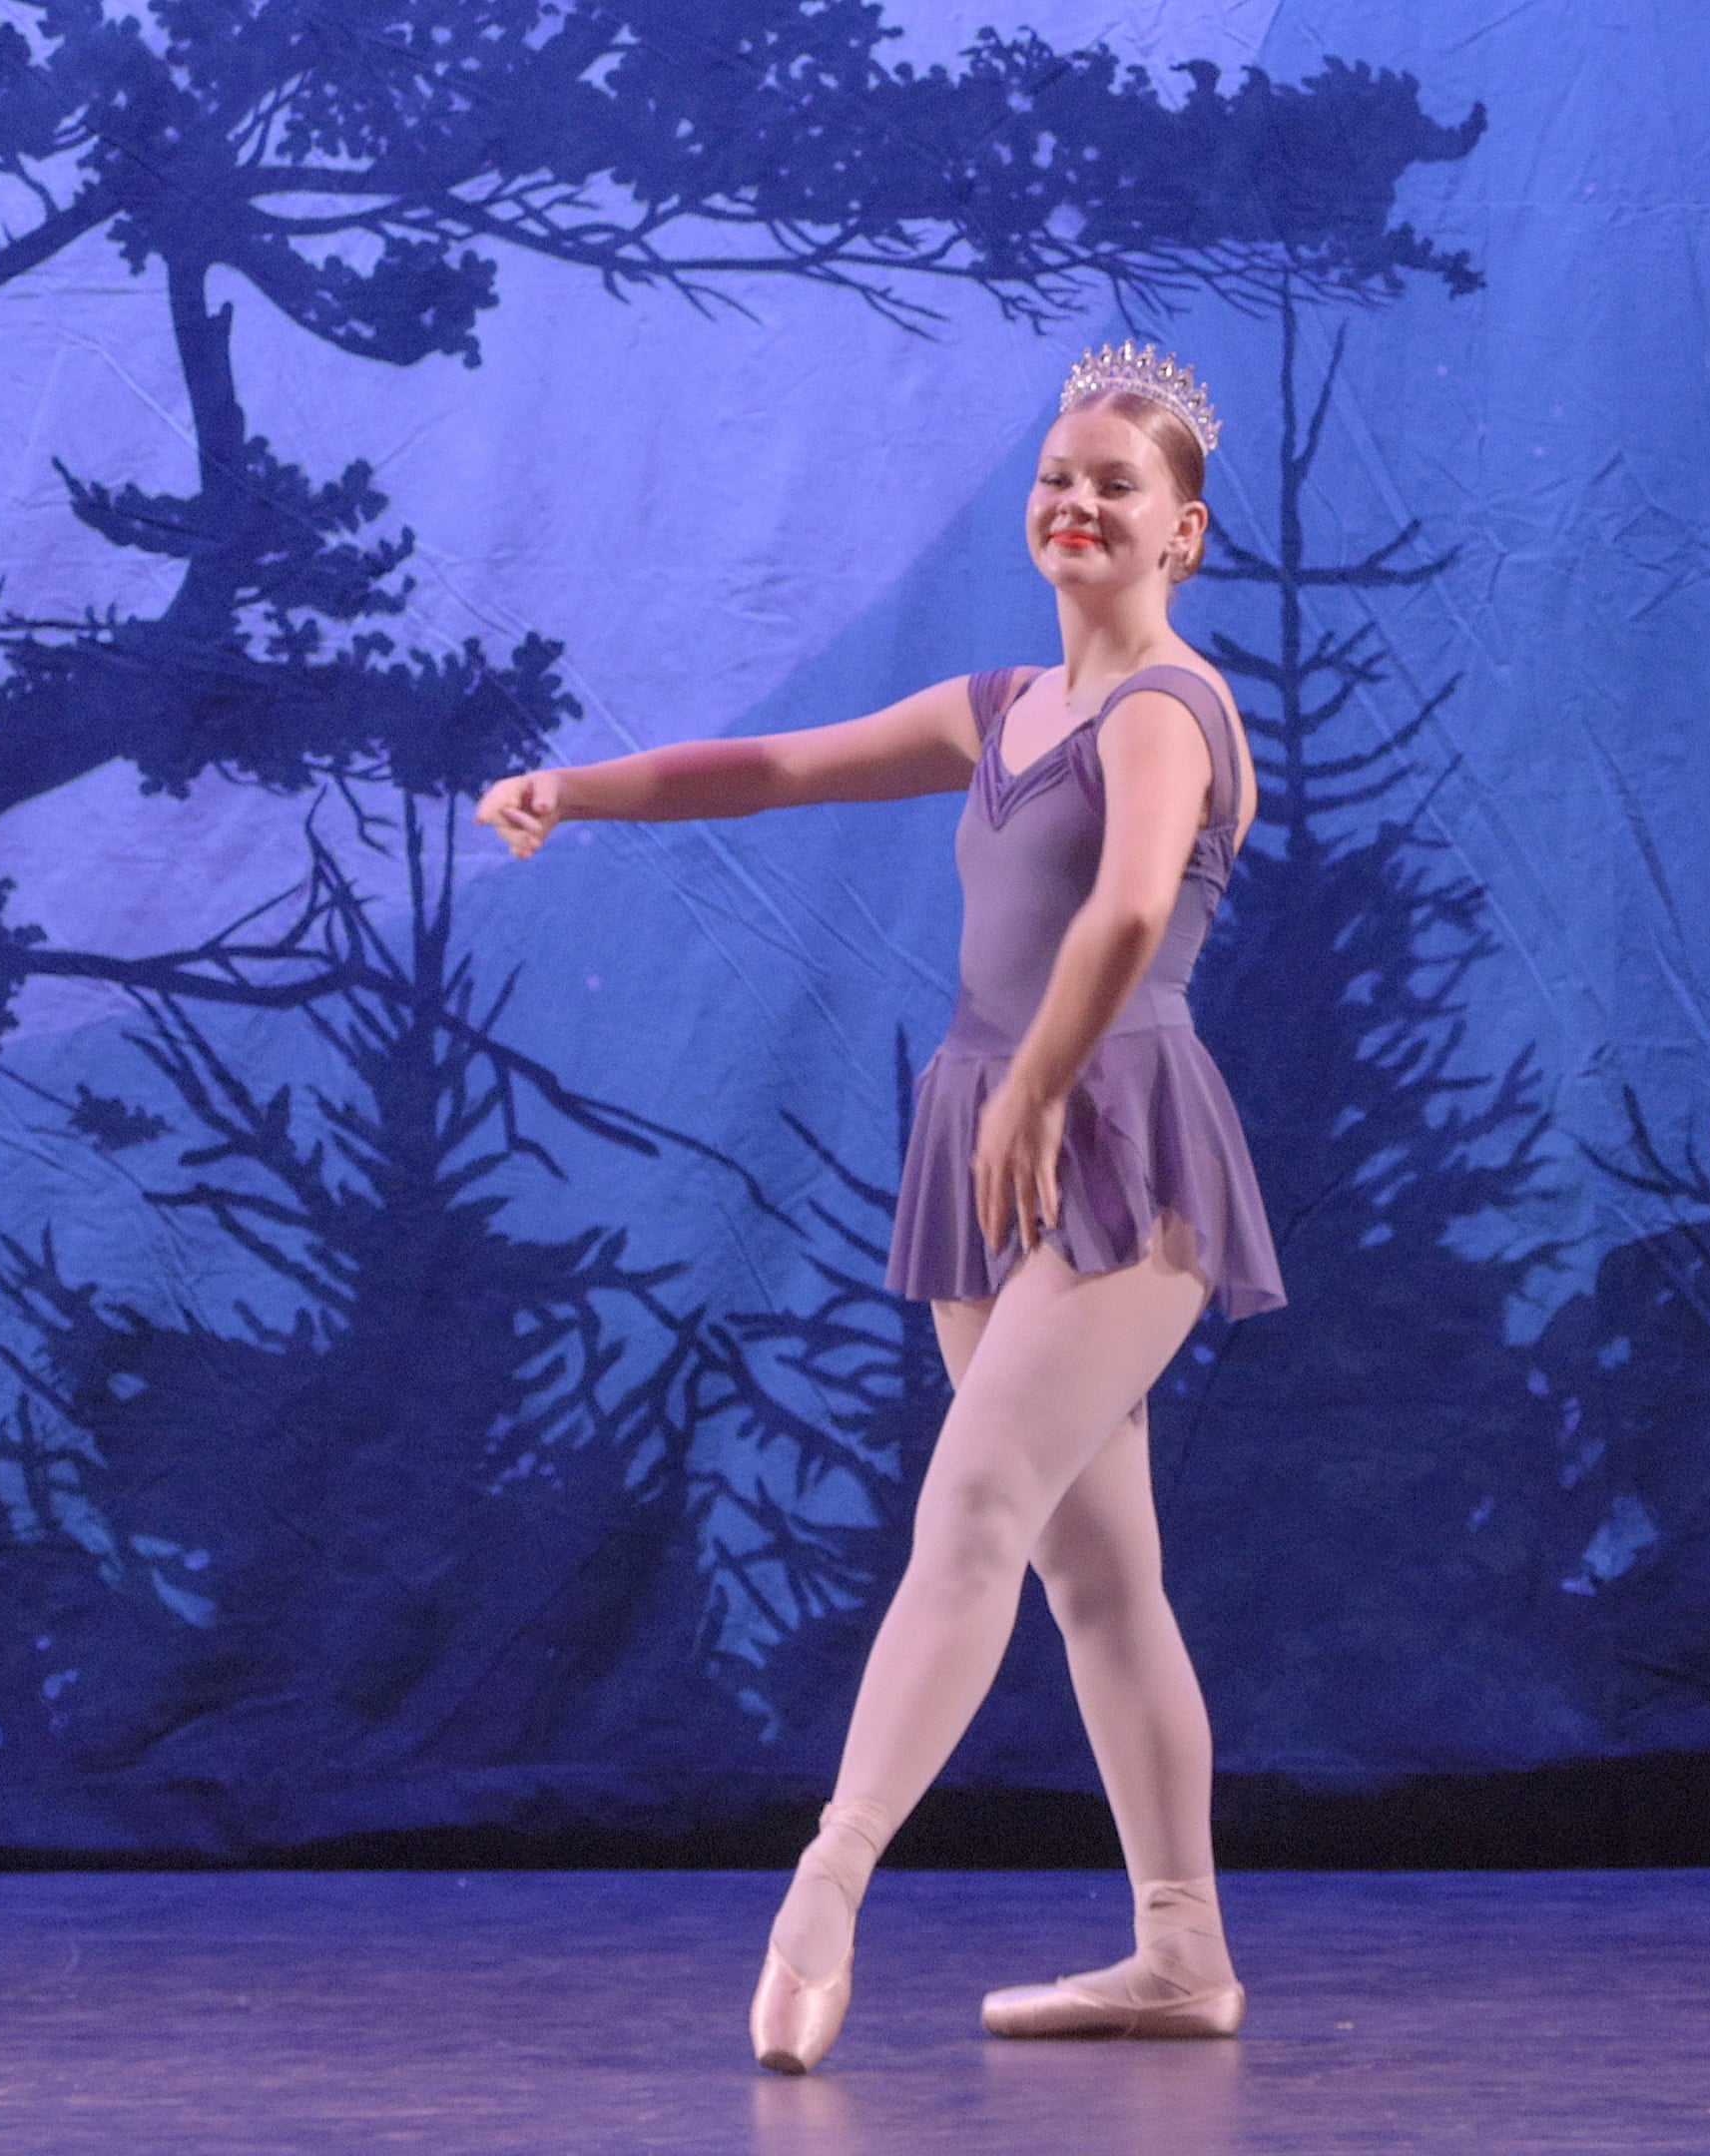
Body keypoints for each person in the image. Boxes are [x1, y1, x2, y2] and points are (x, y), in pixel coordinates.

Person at [476, 343, 1283, 2075]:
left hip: (1120, 1140)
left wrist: (1046, 1082)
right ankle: (1182, 1951)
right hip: (987, 1138)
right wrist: (577, 789)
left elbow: (1129, 910)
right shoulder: (1003, 709)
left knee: (975, 1506)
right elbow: (775, 767)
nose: (1077, 502)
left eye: (1117, 485)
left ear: (1184, 535)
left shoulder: (1170, 709)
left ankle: (826, 1886)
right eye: (1057, 475)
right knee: (1097, 1576)